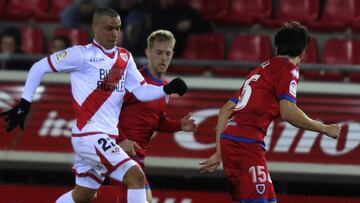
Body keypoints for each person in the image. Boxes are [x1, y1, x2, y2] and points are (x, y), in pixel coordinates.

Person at [0, 7, 187, 203]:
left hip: (105, 136)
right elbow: (39, 67)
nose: (114, 34)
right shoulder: (81, 55)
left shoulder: (124, 57)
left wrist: (166, 90)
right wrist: (24, 104)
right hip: (90, 136)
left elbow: (141, 91)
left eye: (118, 28)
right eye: (109, 29)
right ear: (95, 28)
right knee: (136, 176)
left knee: (83, 195)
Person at [198, 22, 341, 203]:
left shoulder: (260, 69)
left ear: (276, 47)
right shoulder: (288, 69)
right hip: (246, 144)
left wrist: (219, 152)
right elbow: (288, 112)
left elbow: (225, 110)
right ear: (303, 52)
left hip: (233, 142)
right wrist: (324, 128)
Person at [97, 29, 197, 202]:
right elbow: (107, 112)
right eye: (159, 52)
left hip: (138, 156)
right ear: (148, 52)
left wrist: (179, 125)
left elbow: (156, 121)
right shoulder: (134, 81)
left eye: (167, 53)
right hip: (119, 152)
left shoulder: (165, 88)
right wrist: (122, 139)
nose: (164, 58)